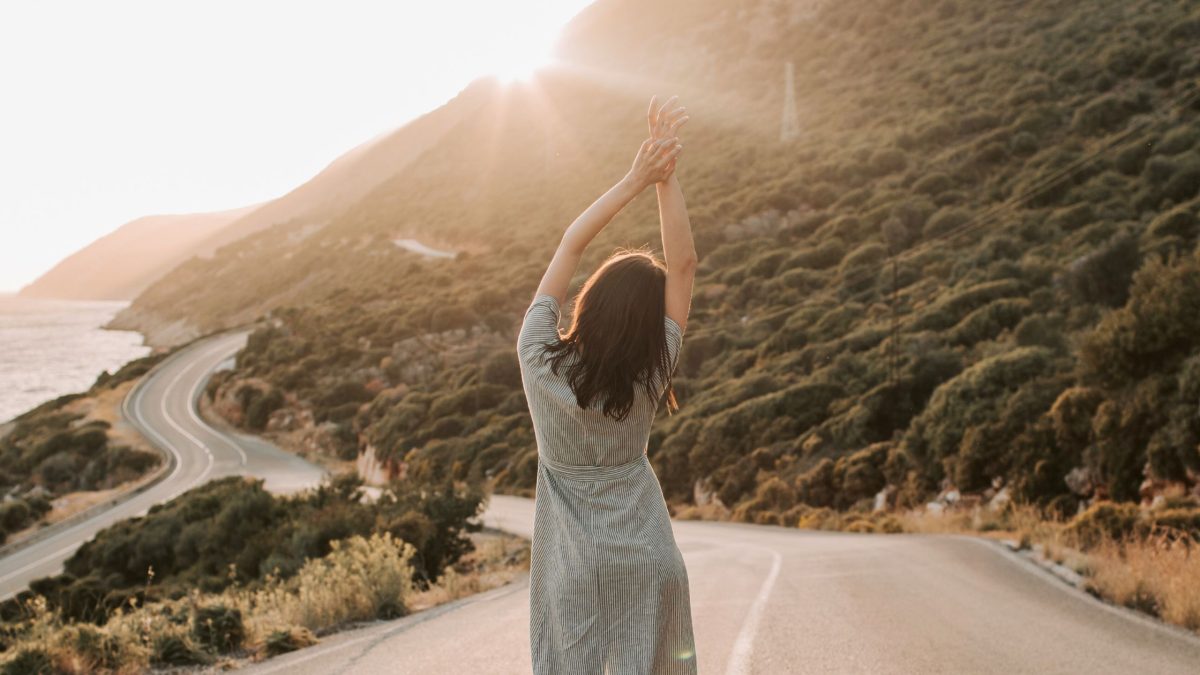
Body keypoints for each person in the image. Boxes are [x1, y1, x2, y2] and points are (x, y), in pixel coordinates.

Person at [517, 95, 699, 675]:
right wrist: (665, 182)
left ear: (589, 302)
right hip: (646, 562)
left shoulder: (537, 359)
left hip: (573, 573)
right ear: (649, 324)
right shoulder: (651, 371)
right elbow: (685, 265)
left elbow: (569, 245)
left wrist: (633, 179)